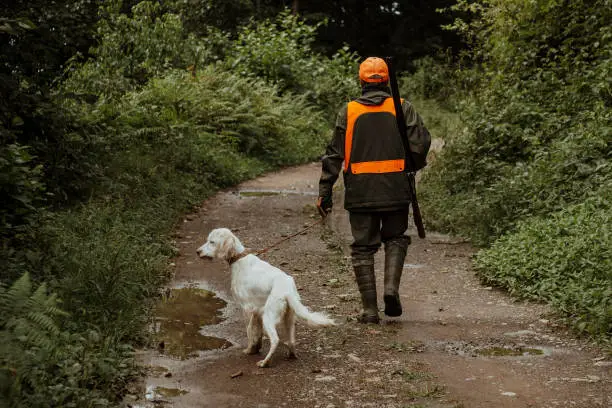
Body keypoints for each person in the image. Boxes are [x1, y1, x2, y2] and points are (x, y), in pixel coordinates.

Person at [317, 57, 431, 324]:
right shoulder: (403, 108)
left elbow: (334, 154)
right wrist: (410, 167)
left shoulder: (349, 111)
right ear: (387, 81)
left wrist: (325, 191)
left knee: (362, 249)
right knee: (395, 238)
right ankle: (391, 290)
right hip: (395, 189)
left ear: (362, 81)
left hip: (360, 192)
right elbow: (420, 144)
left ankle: (369, 311)